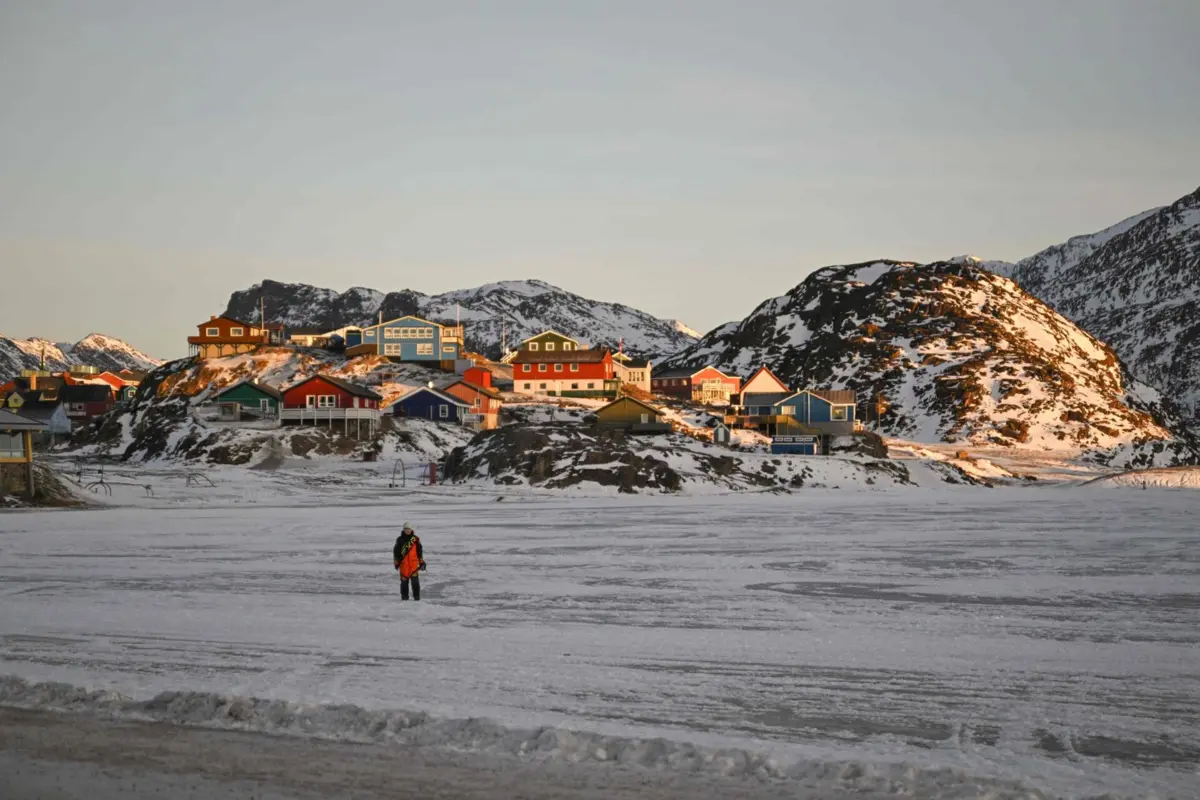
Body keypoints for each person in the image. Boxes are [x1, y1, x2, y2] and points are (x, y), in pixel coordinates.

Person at [393, 522, 426, 601]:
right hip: (403, 565)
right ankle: (404, 598)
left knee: (415, 583)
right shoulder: (399, 539)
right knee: (404, 583)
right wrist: (396, 563)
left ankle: (417, 598)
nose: (407, 530)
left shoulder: (415, 539)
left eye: (408, 529)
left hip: (413, 565)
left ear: (411, 529)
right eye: (406, 529)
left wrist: (421, 562)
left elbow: (419, 552)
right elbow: (396, 552)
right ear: (403, 530)